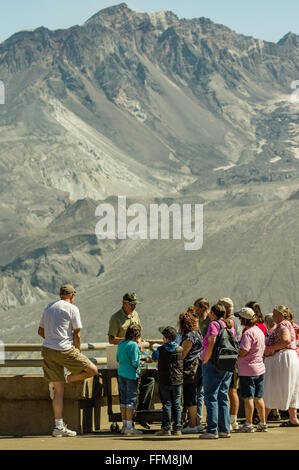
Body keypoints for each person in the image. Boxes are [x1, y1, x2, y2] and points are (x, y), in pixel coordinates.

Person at [38, 284, 98, 437]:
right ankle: (66, 378)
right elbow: (77, 334)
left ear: (60, 295)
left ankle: (58, 427)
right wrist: (77, 352)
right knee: (92, 370)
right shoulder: (72, 308)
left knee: (59, 391)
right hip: (64, 349)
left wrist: (52, 339)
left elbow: (40, 331)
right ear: (72, 295)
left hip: (48, 350)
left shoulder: (48, 307)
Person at [108, 292, 156, 429]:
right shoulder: (116, 318)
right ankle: (129, 423)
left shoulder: (135, 315)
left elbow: (139, 333)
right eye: (131, 304)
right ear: (124, 303)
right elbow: (111, 339)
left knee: (149, 381)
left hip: (133, 354)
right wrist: (129, 342)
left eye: (135, 304)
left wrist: (139, 343)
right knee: (129, 396)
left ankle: (140, 413)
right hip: (127, 359)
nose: (134, 307)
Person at [200, 303, 237, 439]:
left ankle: (212, 430)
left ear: (213, 314)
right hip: (227, 364)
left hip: (213, 364)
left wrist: (206, 359)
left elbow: (213, 340)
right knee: (222, 395)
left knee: (211, 396)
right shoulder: (229, 326)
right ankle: (225, 429)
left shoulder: (214, 324)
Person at [264, 305, 299, 426]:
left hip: (283, 358)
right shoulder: (288, 324)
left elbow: (285, 340)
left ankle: (263, 418)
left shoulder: (282, 325)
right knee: (290, 386)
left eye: (274, 314)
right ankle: (293, 417)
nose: (273, 316)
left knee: (273, 386)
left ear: (281, 315)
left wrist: (271, 349)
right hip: (289, 357)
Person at [237, 308, 267, 433]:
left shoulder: (248, 333)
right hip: (259, 368)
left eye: (240, 317)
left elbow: (244, 351)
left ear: (244, 319)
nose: (239, 319)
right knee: (258, 397)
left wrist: (236, 352)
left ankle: (248, 424)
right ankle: (263, 423)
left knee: (248, 397)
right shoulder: (259, 330)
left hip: (247, 370)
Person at [151, 326, 184, 436]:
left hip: (164, 380)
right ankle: (178, 428)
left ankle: (166, 428)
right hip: (177, 380)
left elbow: (154, 357)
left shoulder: (160, 350)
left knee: (166, 405)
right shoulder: (180, 349)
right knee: (177, 405)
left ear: (165, 338)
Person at [179, 311, 204, 434]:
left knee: (190, 397)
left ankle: (193, 424)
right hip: (199, 368)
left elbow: (183, 354)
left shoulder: (189, 336)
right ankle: (198, 423)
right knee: (195, 395)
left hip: (190, 369)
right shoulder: (198, 333)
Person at [218, 297, 241, 431]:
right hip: (234, 359)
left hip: (229, 359)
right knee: (232, 390)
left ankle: (230, 420)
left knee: (229, 390)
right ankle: (232, 419)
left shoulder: (230, 321)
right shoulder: (237, 320)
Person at [116, 324, 143, 436]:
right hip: (131, 375)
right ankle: (129, 427)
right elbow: (135, 362)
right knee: (131, 400)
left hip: (121, 373)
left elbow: (117, 359)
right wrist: (141, 361)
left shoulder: (121, 344)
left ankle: (124, 425)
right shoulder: (134, 345)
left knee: (123, 400)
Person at [193, 298, 211, 424]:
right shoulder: (199, 320)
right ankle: (198, 418)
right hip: (200, 359)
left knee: (206, 392)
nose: (195, 311)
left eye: (197, 308)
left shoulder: (211, 321)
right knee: (200, 392)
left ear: (204, 308)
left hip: (208, 359)